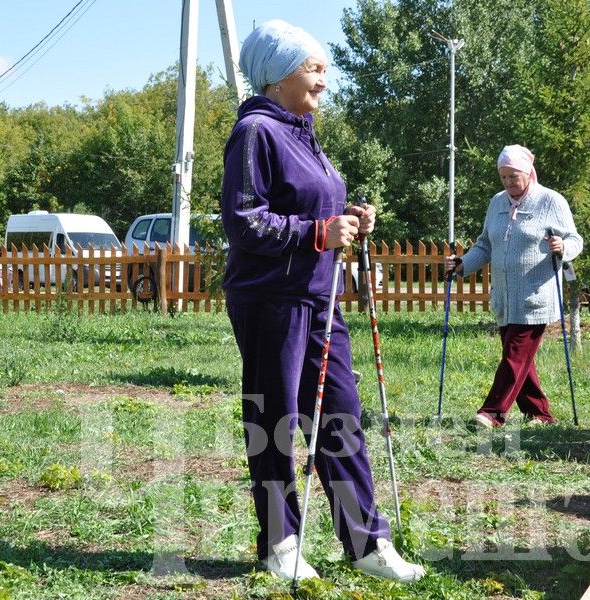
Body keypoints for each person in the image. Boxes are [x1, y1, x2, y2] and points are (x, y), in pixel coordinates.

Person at [220, 19, 425, 583]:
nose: (323, 82)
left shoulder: (301, 129)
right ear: (278, 73)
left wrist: (350, 217)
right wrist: (317, 233)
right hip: (272, 300)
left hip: (320, 297)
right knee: (276, 420)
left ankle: (366, 544)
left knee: (341, 416)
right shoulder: (256, 132)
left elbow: (315, 204)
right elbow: (243, 222)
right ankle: (280, 544)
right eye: (314, 69)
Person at [444, 144, 583, 428]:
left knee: (515, 356)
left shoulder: (550, 201)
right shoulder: (497, 202)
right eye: (503, 176)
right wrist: (462, 265)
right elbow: (485, 245)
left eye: (513, 176)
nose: (508, 182)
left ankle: (492, 413)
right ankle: (540, 414)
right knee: (521, 360)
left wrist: (562, 246)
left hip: (535, 296)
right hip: (505, 298)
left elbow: (575, 240)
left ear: (528, 173)